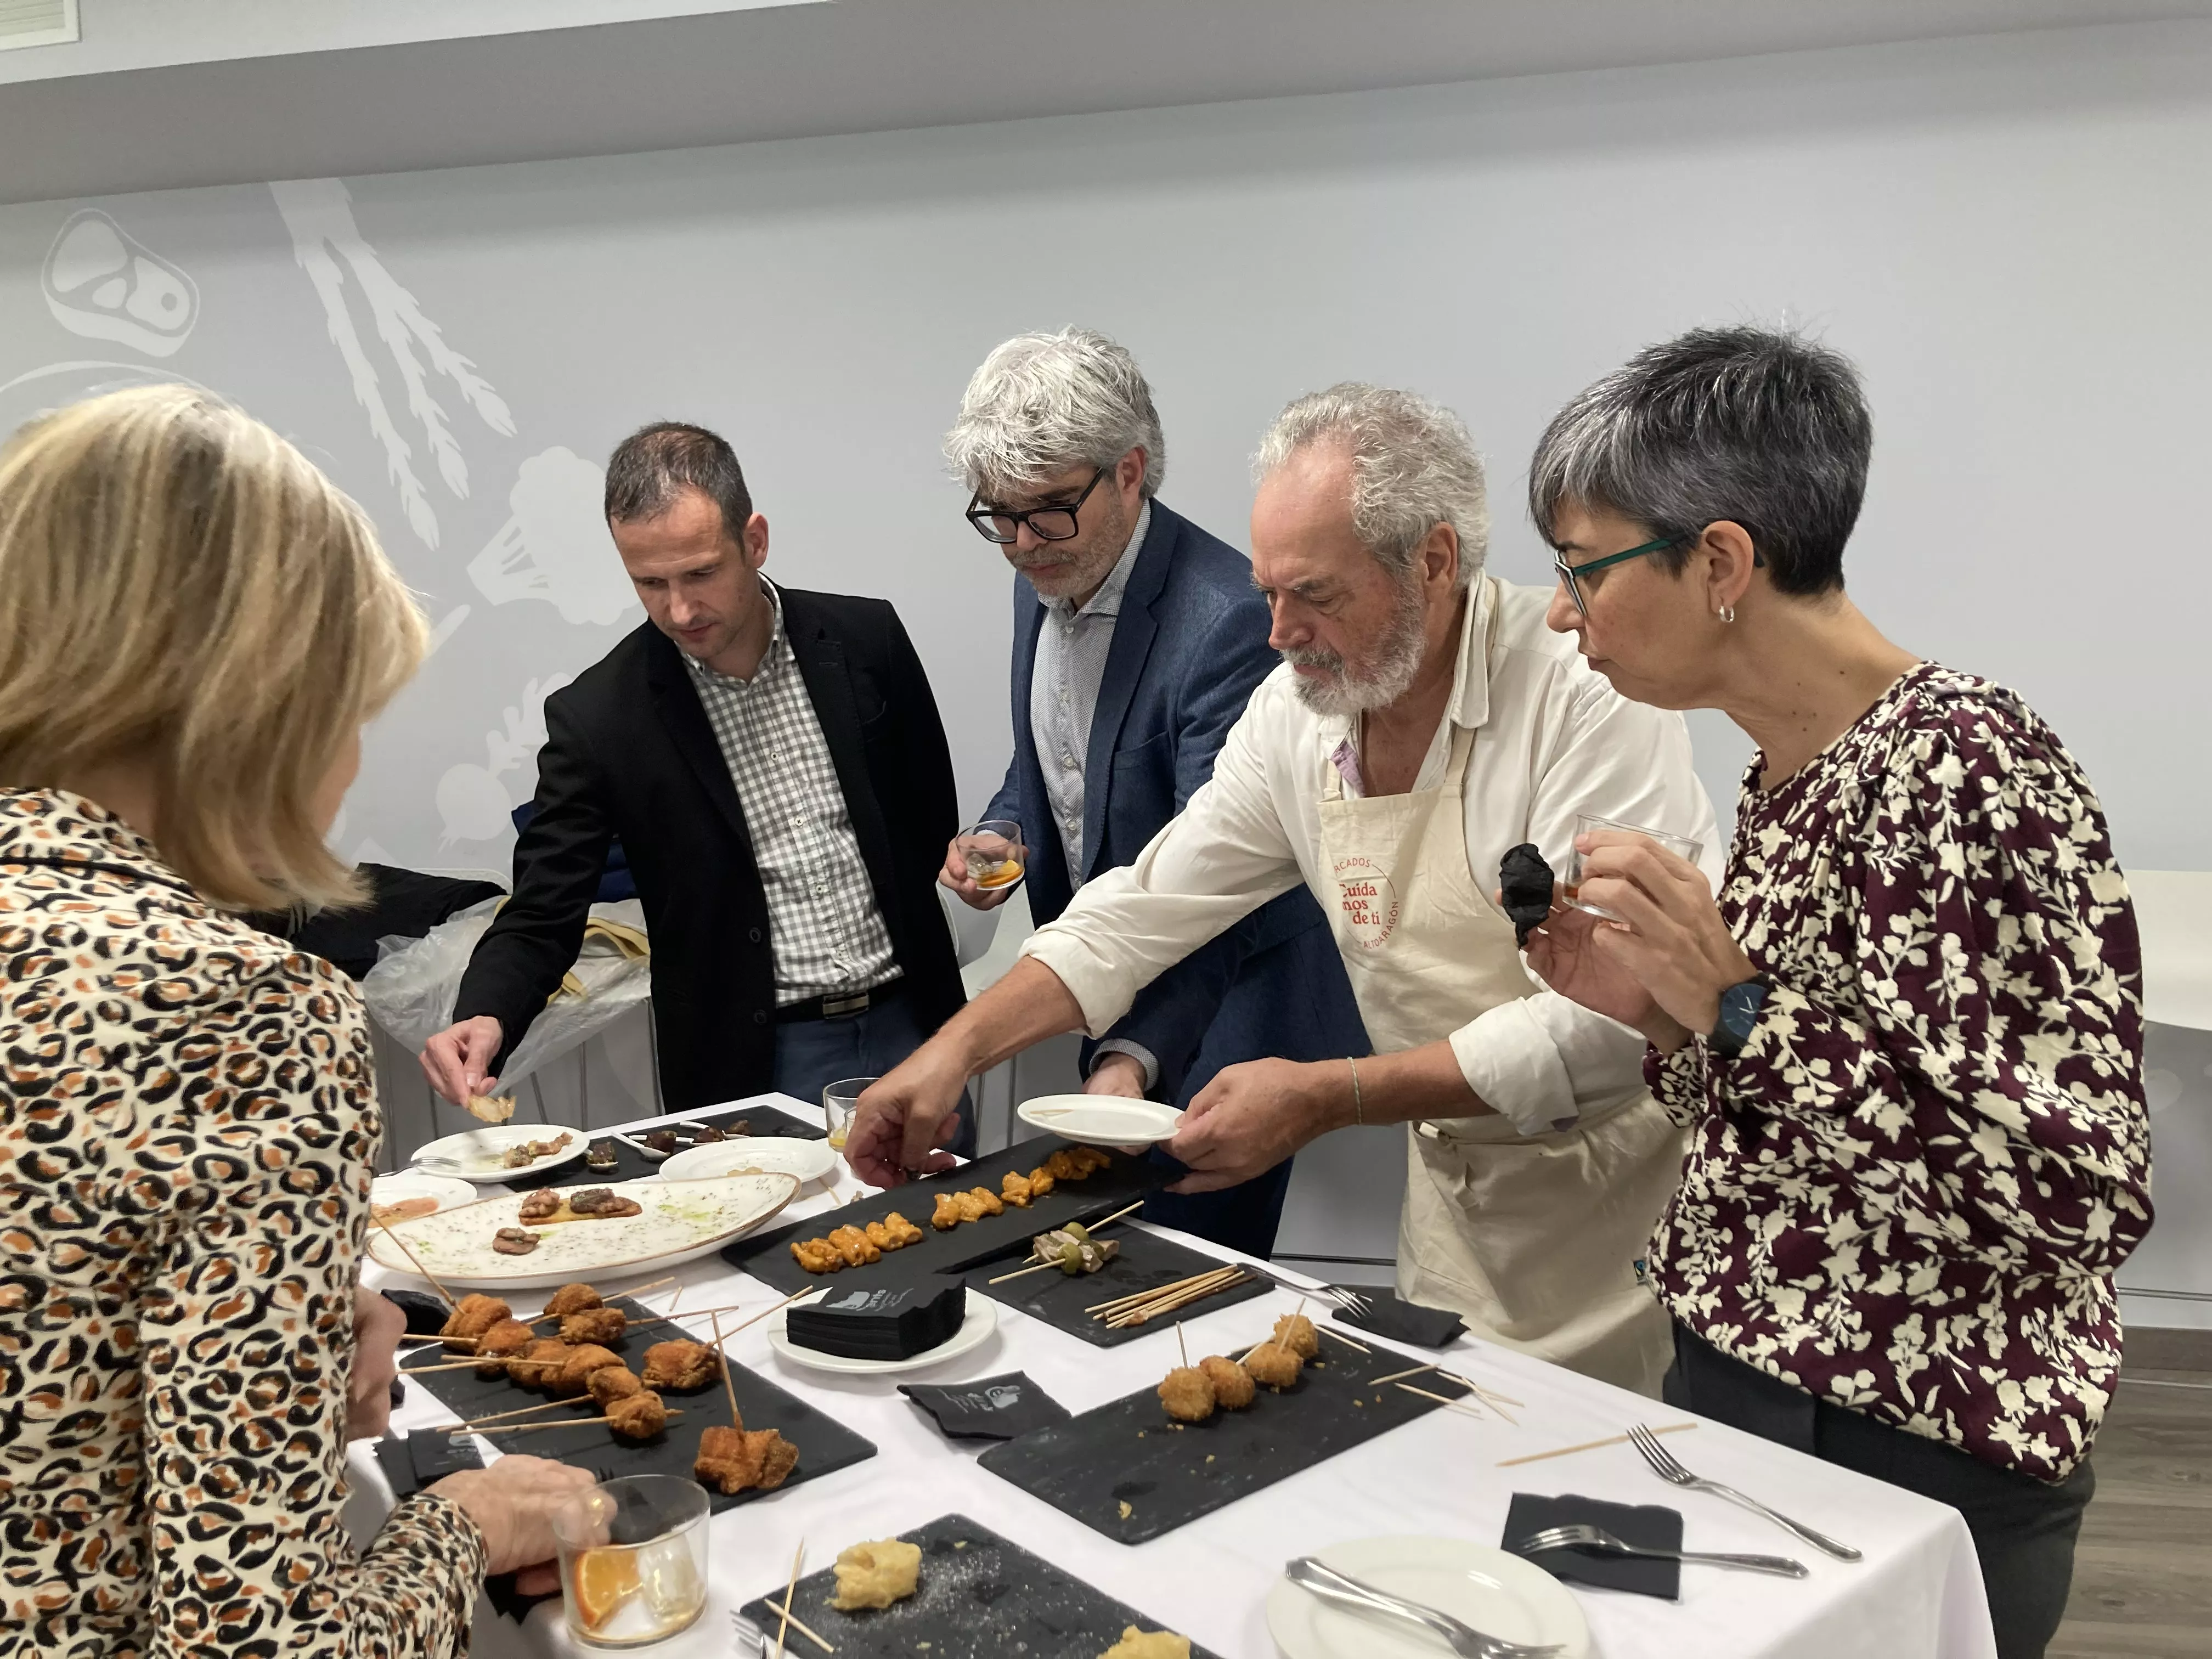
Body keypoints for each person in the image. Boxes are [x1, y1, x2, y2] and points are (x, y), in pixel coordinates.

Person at [851, 383, 1717, 1392]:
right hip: (1455, 1205)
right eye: (1268, 592)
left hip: (1626, 1218)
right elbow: (1144, 908)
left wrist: (1333, 1095)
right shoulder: (1298, 714)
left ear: (1434, 561)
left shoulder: (1584, 691)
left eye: (1316, 595)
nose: (1279, 632)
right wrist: (952, 1053)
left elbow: (1608, 1020)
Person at [1523, 325, 2151, 1658]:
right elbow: (1801, 1121)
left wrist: (1741, 1006)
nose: (1563, 612)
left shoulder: (1969, 768)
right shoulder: (1789, 777)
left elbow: (2078, 1196)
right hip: (1756, 1400)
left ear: (1721, 564)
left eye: (1581, 567)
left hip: (1912, 1445)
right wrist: (1662, 1014)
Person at [0, 386, 592, 1656]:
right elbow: (262, 1644)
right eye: (353, 708)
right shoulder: (238, 1012)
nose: (352, 763)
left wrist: (280, 1343)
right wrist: (468, 1525)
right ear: (265, 697)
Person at [940, 329, 1365, 1255]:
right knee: (1098, 1258)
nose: (1021, 545)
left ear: (1129, 473)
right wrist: (1003, 826)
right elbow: (1058, 748)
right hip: (1116, 974)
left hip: (1227, 1000)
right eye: (998, 516)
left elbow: (1219, 879)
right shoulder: (1046, 570)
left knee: (1182, 1270)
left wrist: (1135, 1052)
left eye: (1047, 511)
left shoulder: (1229, 621)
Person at [420, 423, 970, 1136]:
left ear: (755, 541)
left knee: (953, 1207)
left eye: (701, 574)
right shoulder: (600, 718)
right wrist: (485, 1013)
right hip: (752, 1056)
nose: (679, 610)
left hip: (916, 1025)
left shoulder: (867, 640)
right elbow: (542, 910)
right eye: (650, 583)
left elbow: (930, 820)